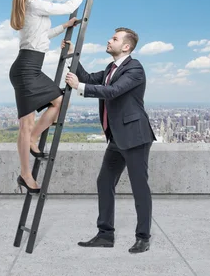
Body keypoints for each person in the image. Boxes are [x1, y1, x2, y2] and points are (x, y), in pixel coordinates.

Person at [63, 27, 157, 254]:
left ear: (126, 46)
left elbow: (113, 91)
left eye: (114, 38)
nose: (109, 40)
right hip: (116, 138)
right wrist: (72, 55)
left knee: (139, 188)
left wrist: (80, 87)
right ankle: (105, 234)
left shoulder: (135, 68)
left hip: (135, 137)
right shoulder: (110, 68)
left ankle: (143, 237)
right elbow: (86, 78)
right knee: (104, 182)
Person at [9, 0, 90, 194]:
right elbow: (67, 6)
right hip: (26, 68)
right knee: (26, 124)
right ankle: (25, 175)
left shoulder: (31, 5)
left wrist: (64, 27)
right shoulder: (32, 2)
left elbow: (41, 36)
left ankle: (34, 140)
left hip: (30, 66)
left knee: (59, 102)